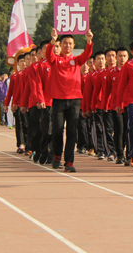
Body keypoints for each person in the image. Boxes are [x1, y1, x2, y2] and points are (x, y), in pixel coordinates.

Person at [47, 28, 94, 172]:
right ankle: (57, 155)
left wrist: (89, 41)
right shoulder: (55, 60)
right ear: (60, 45)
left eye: (70, 43)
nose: (67, 45)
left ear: (74, 46)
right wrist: (52, 40)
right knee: (57, 131)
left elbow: (87, 54)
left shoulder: (77, 60)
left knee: (72, 132)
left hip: (74, 100)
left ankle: (69, 162)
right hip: (59, 100)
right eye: (65, 43)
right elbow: (49, 55)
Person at [116, 41, 133, 167]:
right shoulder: (128, 65)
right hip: (132, 101)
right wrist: (118, 103)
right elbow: (121, 85)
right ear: (132, 51)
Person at [106, 47, 129, 164]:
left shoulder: (131, 70)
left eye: (124, 56)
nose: (122, 58)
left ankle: (127, 153)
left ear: (128, 57)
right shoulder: (111, 73)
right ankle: (119, 154)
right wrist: (105, 104)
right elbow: (107, 91)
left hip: (129, 105)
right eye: (120, 56)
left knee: (127, 130)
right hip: (115, 106)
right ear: (116, 58)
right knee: (119, 129)